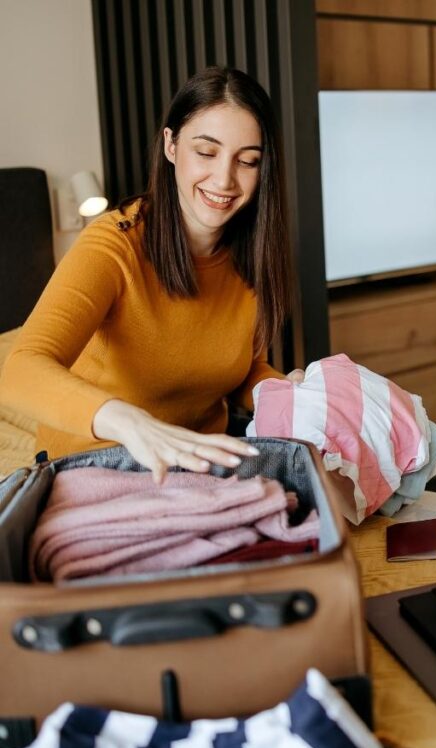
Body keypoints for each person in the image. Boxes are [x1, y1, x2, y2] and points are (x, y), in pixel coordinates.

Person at [0, 67, 303, 483]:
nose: (224, 179)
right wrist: (129, 422)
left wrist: (285, 392)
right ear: (171, 145)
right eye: (206, 152)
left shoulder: (251, 253)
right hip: (97, 465)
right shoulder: (114, 245)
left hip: (200, 467)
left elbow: (239, 369)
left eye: (247, 160)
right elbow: (20, 369)